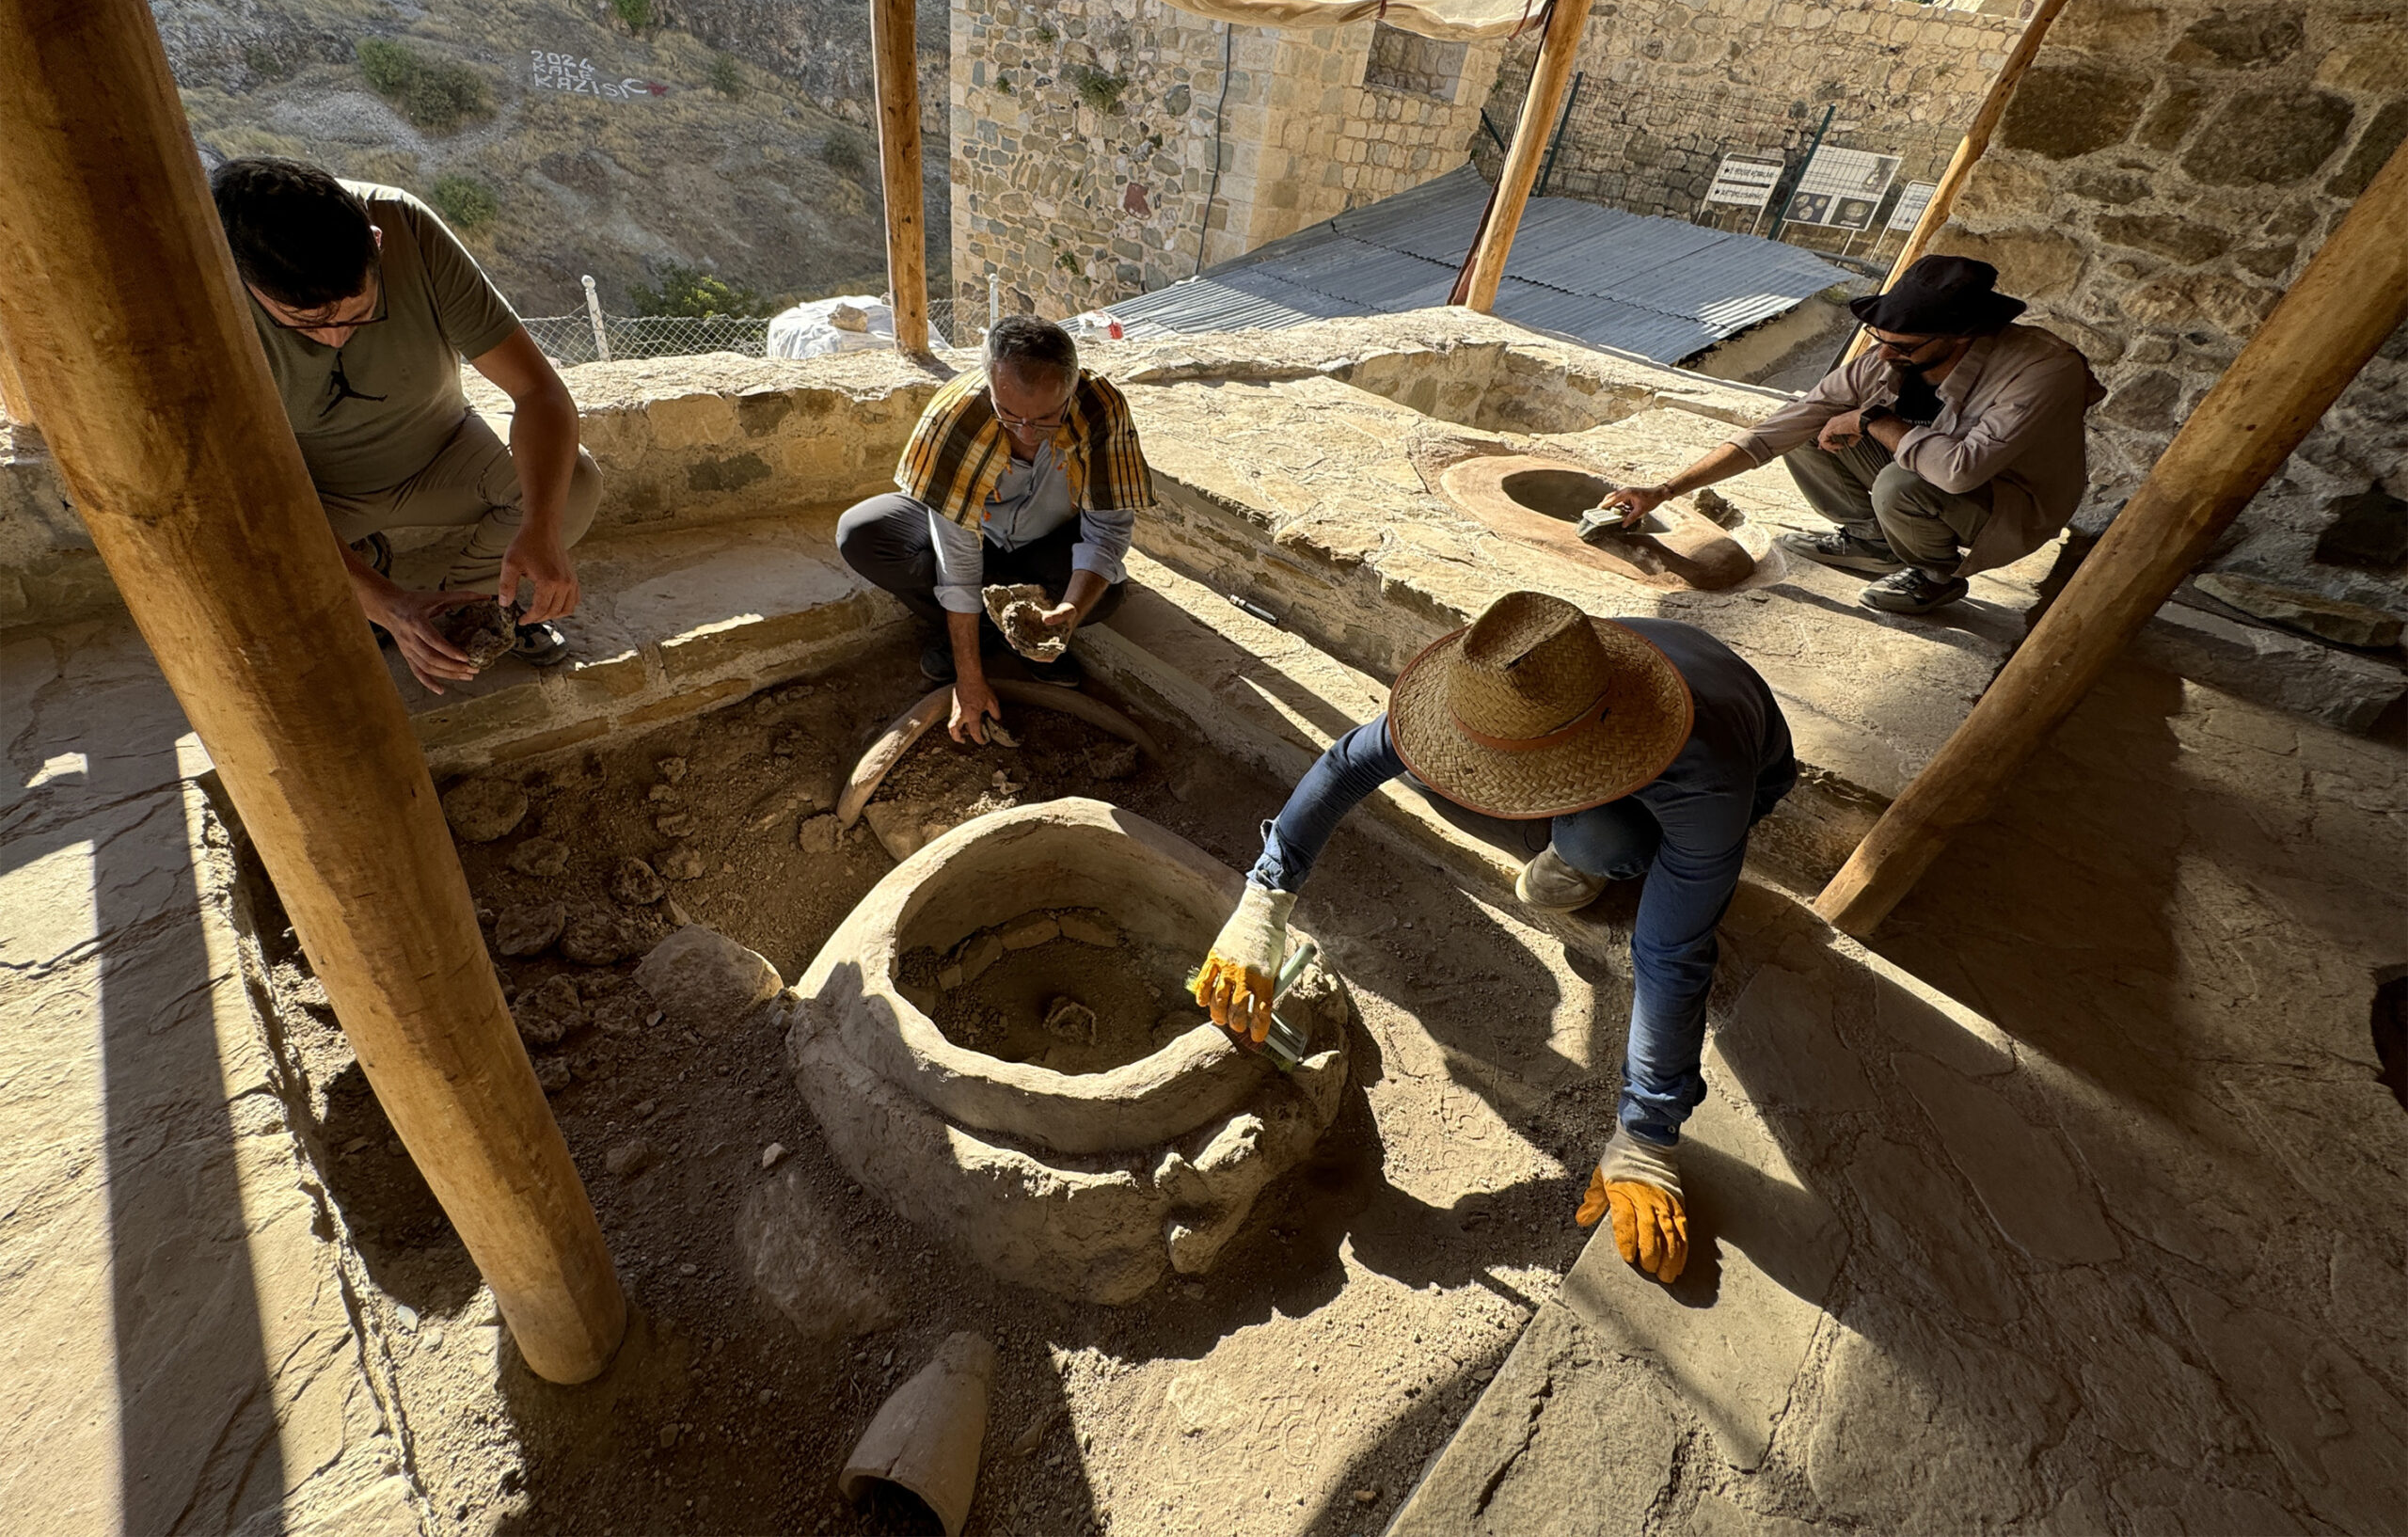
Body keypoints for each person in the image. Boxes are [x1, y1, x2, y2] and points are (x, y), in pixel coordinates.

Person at [1191, 590, 1795, 1286]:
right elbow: (1344, 764)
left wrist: (1647, 1132)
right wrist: (1263, 900)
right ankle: (1580, 843)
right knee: (1466, 788)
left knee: (1604, 839)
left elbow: (1671, 953)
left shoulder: (1704, 778)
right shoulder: (1502, 686)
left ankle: (1589, 853)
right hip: (1600, 707)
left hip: (1737, 762)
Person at [211, 157, 601, 691]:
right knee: (235, 575)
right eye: (306, 323)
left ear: (375, 242)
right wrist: (387, 604)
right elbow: (242, 496)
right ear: (244, 284)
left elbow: (539, 392)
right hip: (309, 494)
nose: (335, 336)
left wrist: (540, 528)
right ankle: (374, 586)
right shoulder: (205, 285)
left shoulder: (404, 226)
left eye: (358, 311)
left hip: (441, 451)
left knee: (572, 483)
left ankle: (475, 608)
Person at [1599, 255, 2104, 615]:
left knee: (1901, 485)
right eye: (1879, 340)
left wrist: (1871, 421)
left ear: (1961, 337)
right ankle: (1871, 540)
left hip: (2010, 500)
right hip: (1931, 470)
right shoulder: (1893, 354)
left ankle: (1934, 576)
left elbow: (1959, 471)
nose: (1884, 355)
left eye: (1901, 344)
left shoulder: (2043, 369)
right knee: (1813, 427)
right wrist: (1664, 490)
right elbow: (1774, 432)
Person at [836, 315, 1154, 743]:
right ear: (989, 386)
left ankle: (1025, 635)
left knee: (1105, 594)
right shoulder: (958, 416)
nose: (1027, 433)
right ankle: (988, 637)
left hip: (1044, 541)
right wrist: (968, 680)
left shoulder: (1100, 408)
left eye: (1045, 418)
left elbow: (1107, 532)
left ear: (1071, 385)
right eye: (1009, 414)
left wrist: (1072, 611)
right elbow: (957, 558)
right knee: (862, 534)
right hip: (975, 534)